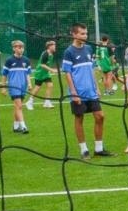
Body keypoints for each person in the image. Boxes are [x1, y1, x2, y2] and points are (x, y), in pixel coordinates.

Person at [61, 23, 109, 159]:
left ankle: (99, 149)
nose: (85, 36)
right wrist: (73, 92)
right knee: (79, 118)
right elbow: (68, 74)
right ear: (74, 34)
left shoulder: (88, 49)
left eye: (86, 33)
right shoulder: (68, 52)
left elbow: (92, 69)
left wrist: (97, 87)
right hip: (78, 93)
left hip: (91, 92)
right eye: (82, 33)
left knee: (100, 116)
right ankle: (84, 150)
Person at [1, 39, 31, 134]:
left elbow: (28, 74)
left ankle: (15, 126)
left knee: (17, 107)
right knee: (19, 106)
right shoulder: (9, 60)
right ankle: (23, 126)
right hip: (14, 86)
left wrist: (29, 84)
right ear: (14, 48)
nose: (20, 49)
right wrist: (3, 87)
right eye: (18, 47)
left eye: (22, 47)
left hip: (23, 86)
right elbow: (4, 75)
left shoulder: (26, 60)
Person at [32, 39, 59, 107]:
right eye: (54, 45)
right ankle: (30, 101)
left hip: (46, 73)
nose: (55, 47)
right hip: (40, 73)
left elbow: (47, 63)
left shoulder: (51, 54)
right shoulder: (45, 54)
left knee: (50, 85)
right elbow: (42, 65)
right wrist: (52, 70)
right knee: (37, 88)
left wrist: (50, 70)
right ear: (49, 46)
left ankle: (47, 102)